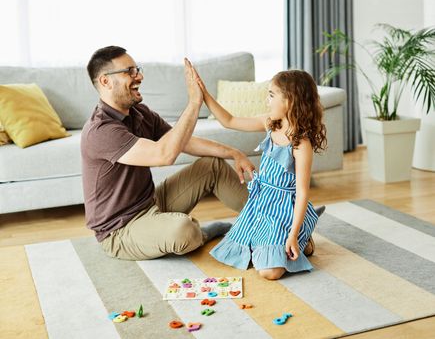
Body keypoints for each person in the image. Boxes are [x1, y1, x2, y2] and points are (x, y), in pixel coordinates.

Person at [81, 46, 256, 260]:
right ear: (105, 81)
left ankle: (267, 221)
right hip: (120, 230)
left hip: (151, 202)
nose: (140, 76)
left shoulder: (139, 113)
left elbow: (183, 141)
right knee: (183, 230)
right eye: (130, 72)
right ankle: (202, 233)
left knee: (213, 165)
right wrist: (194, 103)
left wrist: (234, 153)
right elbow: (164, 155)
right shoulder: (101, 130)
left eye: (137, 69)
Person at [196, 69, 327, 280]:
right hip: (261, 203)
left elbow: (302, 193)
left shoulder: (301, 144)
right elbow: (228, 120)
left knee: (270, 272)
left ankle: (302, 233)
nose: (267, 101)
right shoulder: (269, 123)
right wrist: (203, 94)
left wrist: (292, 236)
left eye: (272, 95)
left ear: (290, 101)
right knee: (241, 255)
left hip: (284, 209)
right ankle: (292, 233)